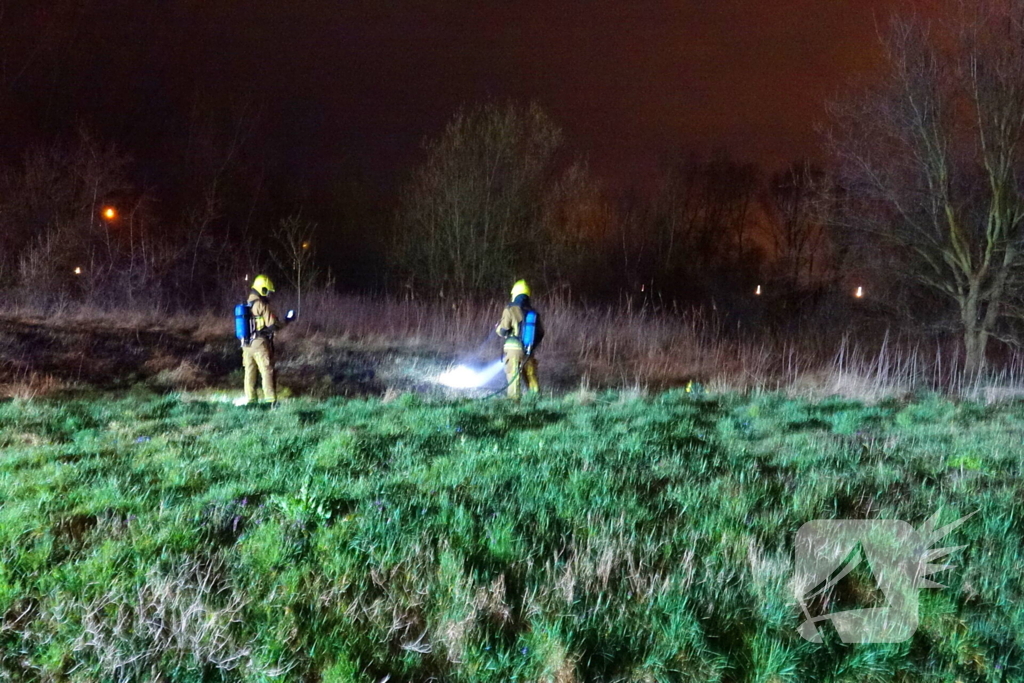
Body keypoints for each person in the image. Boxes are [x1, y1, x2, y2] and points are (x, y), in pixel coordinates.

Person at [241, 274, 293, 406]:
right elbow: (273, 325)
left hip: (246, 344)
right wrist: (287, 320)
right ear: (262, 289)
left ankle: (251, 400)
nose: (269, 294)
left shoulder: (247, 304)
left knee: (249, 372)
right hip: (259, 343)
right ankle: (271, 401)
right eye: (268, 291)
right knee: (267, 370)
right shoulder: (262, 305)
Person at [495, 279, 544, 399]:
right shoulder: (533, 312)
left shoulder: (510, 309)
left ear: (515, 294)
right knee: (531, 377)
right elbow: (541, 333)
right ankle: (536, 401)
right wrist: (530, 346)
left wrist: (498, 327)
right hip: (528, 350)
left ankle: (514, 405)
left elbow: (503, 330)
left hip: (513, 350)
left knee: (513, 378)